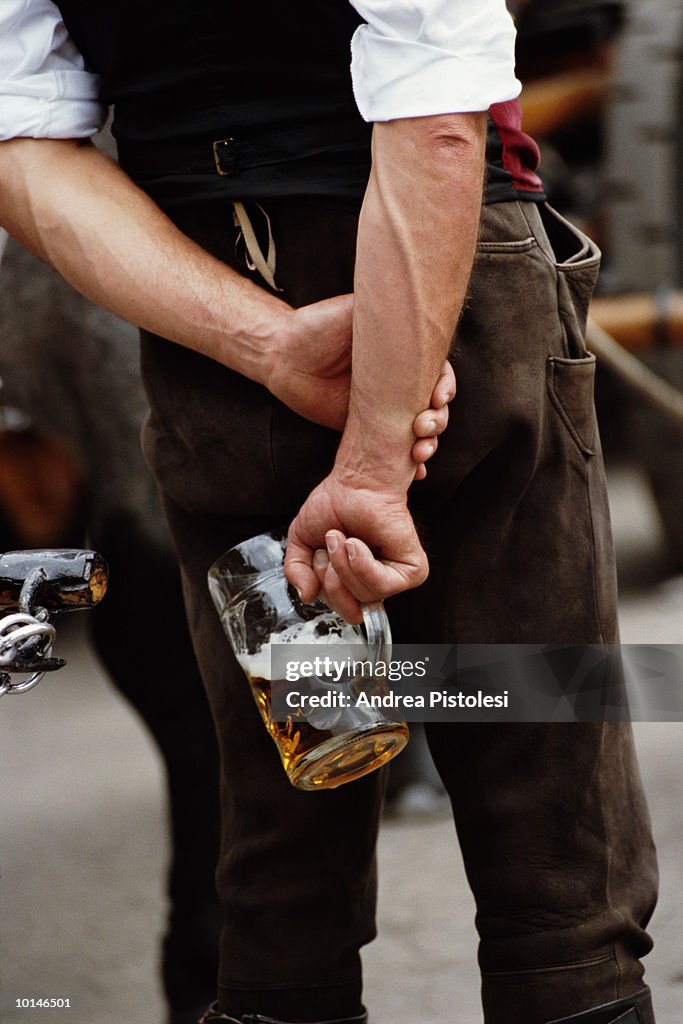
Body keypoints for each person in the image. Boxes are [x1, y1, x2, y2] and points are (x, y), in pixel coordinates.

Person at [0, 2, 658, 1023]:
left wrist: (266, 346)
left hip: (208, 315)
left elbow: (22, 145)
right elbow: (437, 108)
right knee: (554, 858)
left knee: (281, 883)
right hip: (450, 289)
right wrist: (370, 461)